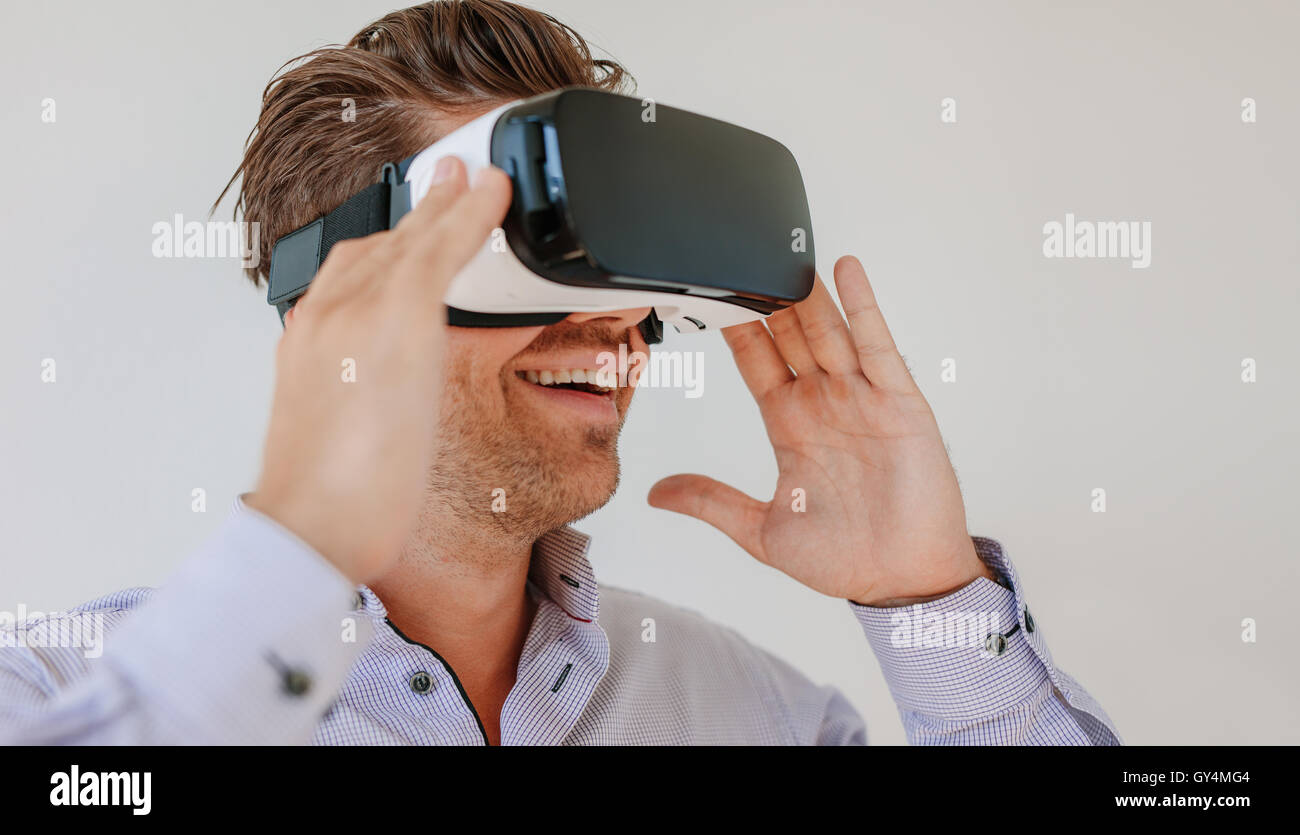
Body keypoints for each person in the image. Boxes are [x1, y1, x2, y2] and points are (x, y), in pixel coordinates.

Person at [0, 0, 1117, 745]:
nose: (616, 326)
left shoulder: (747, 708)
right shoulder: (47, 693)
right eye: (527, 249)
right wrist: (296, 550)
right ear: (330, 301)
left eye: (622, 273)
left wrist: (931, 604)